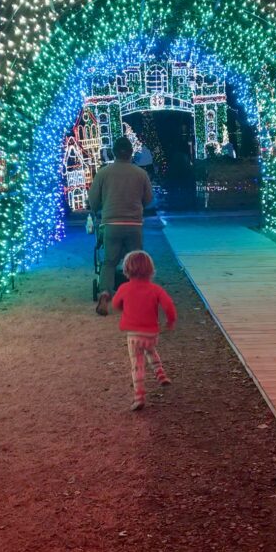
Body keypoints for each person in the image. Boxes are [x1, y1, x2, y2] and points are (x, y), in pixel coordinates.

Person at [88, 135, 153, 316]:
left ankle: (105, 293)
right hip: (133, 224)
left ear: (114, 153)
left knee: (109, 262)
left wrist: (100, 208)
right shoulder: (141, 174)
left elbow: (93, 201)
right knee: (135, 263)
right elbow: (148, 199)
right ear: (131, 153)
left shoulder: (103, 173)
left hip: (111, 224)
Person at [112, 250, 177, 411]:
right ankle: (160, 373)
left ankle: (139, 396)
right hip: (151, 333)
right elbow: (168, 305)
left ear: (126, 269)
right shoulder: (155, 289)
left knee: (137, 364)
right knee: (150, 349)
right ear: (150, 269)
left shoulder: (124, 288)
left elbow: (115, 304)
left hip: (134, 334)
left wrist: (124, 308)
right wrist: (170, 320)